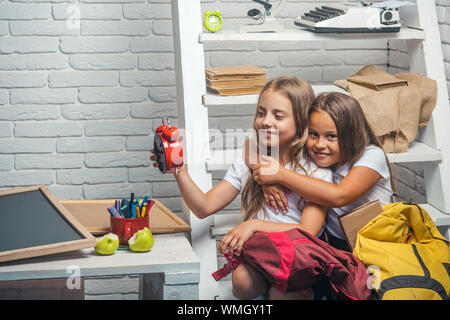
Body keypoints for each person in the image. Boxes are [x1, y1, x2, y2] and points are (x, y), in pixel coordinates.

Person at [150, 77, 333, 300]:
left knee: (281, 294)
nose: (266, 121)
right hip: (263, 257)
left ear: (301, 122)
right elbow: (204, 207)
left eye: (278, 116)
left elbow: (308, 231)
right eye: (261, 112)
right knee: (242, 281)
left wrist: (253, 225)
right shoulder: (249, 162)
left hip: (299, 262)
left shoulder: (315, 172)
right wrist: (179, 170)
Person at [248, 92, 394, 253]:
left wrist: (279, 175)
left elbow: (340, 196)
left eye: (331, 136)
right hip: (337, 246)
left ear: (352, 136)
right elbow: (250, 145)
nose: (319, 144)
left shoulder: (371, 155)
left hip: (380, 244)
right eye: (314, 134)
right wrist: (267, 179)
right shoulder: (318, 156)